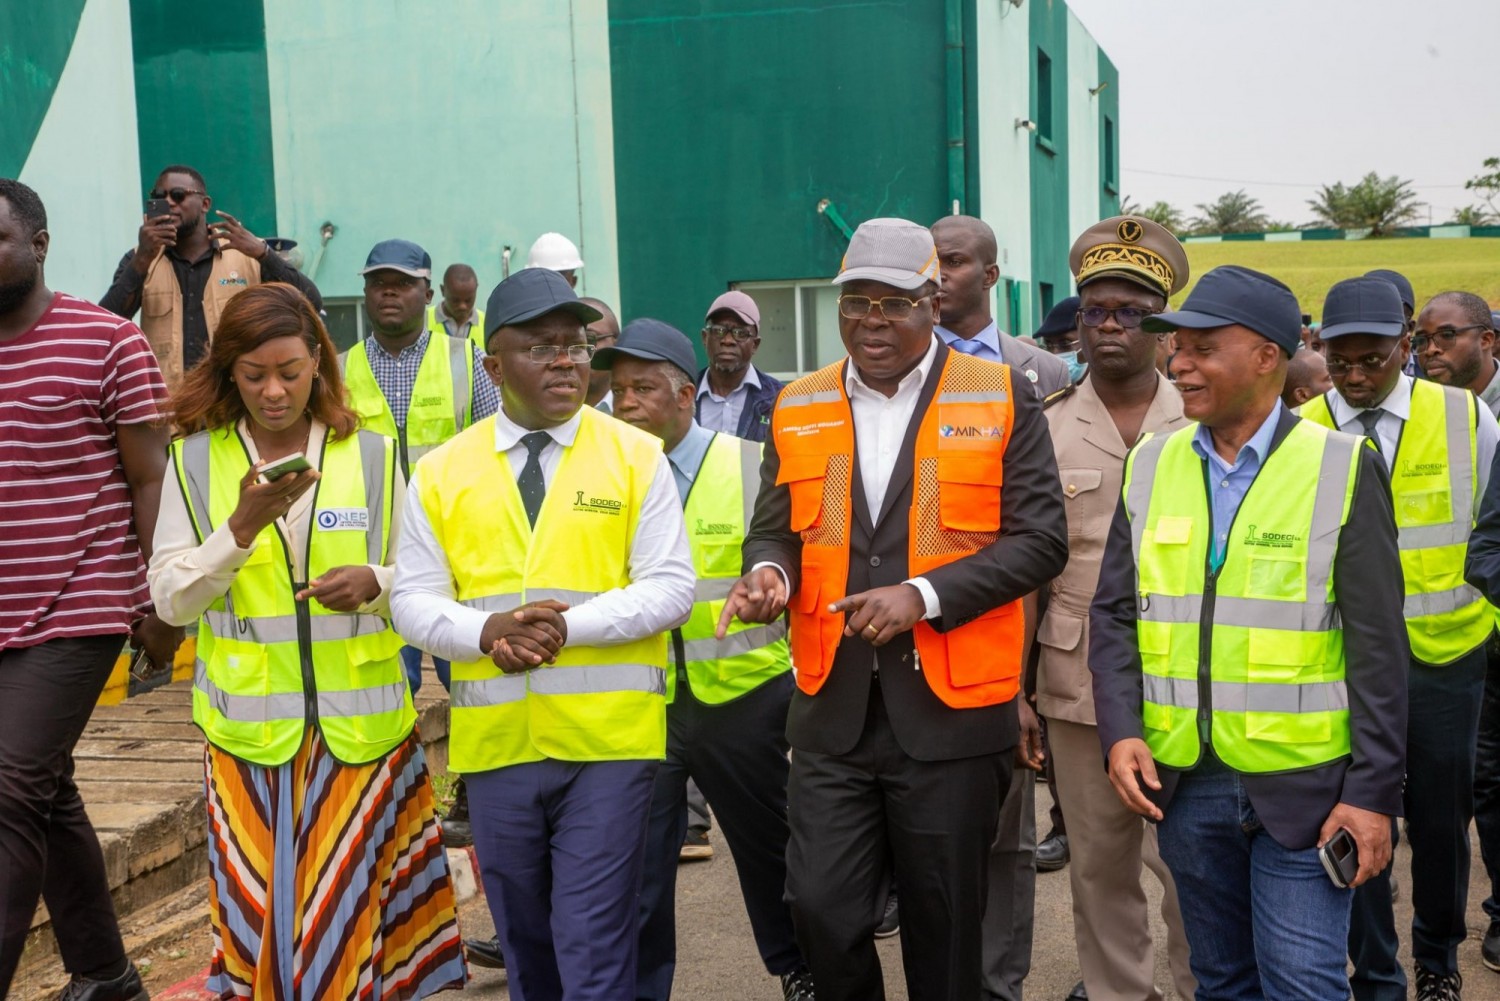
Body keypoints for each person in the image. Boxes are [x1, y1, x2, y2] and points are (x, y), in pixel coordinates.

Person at [717, 217, 1068, 1001]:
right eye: (855, 304)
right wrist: (767, 577)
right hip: (831, 709)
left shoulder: (1003, 393)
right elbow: (774, 531)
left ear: (932, 303)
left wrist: (923, 595)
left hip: (952, 713)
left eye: (892, 305)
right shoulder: (798, 403)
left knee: (946, 935)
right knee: (820, 908)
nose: (870, 323)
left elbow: (1043, 541)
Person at [1092, 264, 1408, 1000]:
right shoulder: (1152, 463)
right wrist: (1119, 729)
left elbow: (1380, 652)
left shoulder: (1340, 465)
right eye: (1178, 348)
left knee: (1303, 983)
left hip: (1307, 788)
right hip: (1186, 780)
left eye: (1203, 347)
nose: (1179, 363)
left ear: (1267, 355)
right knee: (1223, 981)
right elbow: (1113, 612)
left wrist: (1372, 793)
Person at [147, 282, 465, 999]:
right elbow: (169, 597)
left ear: (319, 363)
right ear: (228, 370)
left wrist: (377, 584)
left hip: (360, 739)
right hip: (248, 745)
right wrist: (238, 530)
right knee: (266, 923)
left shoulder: (376, 457)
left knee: (343, 918)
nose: (273, 391)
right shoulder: (195, 460)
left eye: (290, 371)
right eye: (254, 374)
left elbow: (428, 585)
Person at [390, 267, 695, 1001]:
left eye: (576, 345)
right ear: (494, 367)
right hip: (498, 748)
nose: (566, 360)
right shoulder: (440, 473)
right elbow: (413, 600)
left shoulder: (634, 456)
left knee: (591, 939)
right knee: (528, 947)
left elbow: (672, 586)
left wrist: (563, 628)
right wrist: (488, 628)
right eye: (542, 346)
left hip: (609, 747)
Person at [592, 318, 812, 1001]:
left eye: (643, 389)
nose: (624, 403)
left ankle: (798, 968)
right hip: (640, 701)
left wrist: (773, 582)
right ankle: (641, 987)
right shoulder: (600, 480)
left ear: (685, 394)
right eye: (618, 390)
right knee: (636, 869)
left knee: (770, 851)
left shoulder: (749, 464)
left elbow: (790, 556)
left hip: (744, 699)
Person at [1299, 276, 1498, 1001]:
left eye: (1373, 359)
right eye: (1340, 360)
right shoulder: (1305, 424)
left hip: (1448, 659)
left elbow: (1493, 527)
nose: (1354, 376)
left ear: (1405, 345)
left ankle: (1438, 958)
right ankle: (1373, 966)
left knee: (1443, 824)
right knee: (1355, 812)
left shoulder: (1465, 416)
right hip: (1343, 662)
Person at [0, 178, 174, 1000]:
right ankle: (106, 974)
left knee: (5, 790)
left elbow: (149, 479)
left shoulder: (107, 341)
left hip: (80, 605)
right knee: (46, 789)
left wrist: (154, 599)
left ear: (38, 244)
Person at [1031, 215, 1196, 1001]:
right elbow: (1030, 566)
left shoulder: (1203, 419)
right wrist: (1020, 691)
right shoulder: (1049, 425)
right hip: (1077, 688)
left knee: (1193, 868)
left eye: (1129, 310)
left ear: (1162, 326)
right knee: (1099, 869)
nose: (1107, 326)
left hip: (1189, 684)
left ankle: (1209, 987)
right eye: (1094, 308)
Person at [339, 239, 498, 700]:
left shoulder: (466, 359)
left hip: (459, 551)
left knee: (473, 677)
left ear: (429, 296)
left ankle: (476, 771)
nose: (389, 293)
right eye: (378, 284)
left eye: (403, 284)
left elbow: (497, 447)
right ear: (365, 294)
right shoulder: (337, 370)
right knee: (389, 683)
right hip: (377, 556)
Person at [100, 164, 322, 390]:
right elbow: (104, 326)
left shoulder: (245, 255)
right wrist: (143, 259)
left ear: (205, 204)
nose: (169, 203)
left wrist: (265, 254)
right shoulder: (140, 259)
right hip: (168, 409)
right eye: (160, 197)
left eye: (178, 195)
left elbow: (311, 301)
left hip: (231, 404)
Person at [931, 214, 1071, 397]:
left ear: (990, 276)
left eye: (954, 262)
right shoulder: (900, 364)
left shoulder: (1050, 371)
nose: (937, 275)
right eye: (933, 263)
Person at [695, 290, 785, 442]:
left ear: (755, 345)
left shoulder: (779, 399)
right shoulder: (682, 396)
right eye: (719, 331)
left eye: (740, 333)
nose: (728, 340)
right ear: (705, 338)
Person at [1414, 291, 1500, 417]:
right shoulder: (1414, 409)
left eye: (1447, 335)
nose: (1430, 349)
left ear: (1485, 340)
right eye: (1421, 340)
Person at [427, 262, 484, 348]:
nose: (462, 306)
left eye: (468, 300)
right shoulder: (422, 321)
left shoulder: (487, 325)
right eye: (455, 300)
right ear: (443, 290)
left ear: (476, 290)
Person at [579, 296, 621, 412]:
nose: (578, 352)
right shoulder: (542, 415)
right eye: (570, 344)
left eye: (589, 339)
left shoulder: (633, 410)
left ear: (617, 345)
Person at [1033, 294, 1085, 383]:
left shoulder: (1112, 393)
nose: (1054, 354)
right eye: (1048, 345)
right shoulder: (1042, 392)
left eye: (1064, 343)